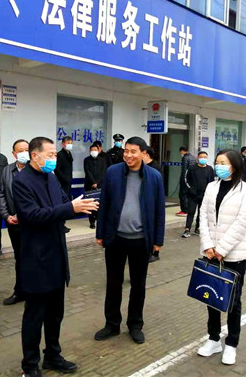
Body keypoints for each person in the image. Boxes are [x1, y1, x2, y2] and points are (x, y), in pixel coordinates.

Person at [13, 137, 98, 376]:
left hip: (57, 256)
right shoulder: (21, 181)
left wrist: (79, 205)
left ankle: (52, 356)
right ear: (35, 156)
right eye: (50, 155)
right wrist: (70, 208)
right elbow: (32, 215)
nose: (54, 159)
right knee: (34, 316)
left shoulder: (50, 177)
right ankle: (30, 365)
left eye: (55, 155)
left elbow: (62, 203)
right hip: (36, 259)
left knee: (55, 314)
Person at [94, 137, 165, 345]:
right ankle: (112, 324)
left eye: (133, 151)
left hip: (141, 240)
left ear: (144, 154)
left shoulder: (154, 177)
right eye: (126, 151)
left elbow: (159, 210)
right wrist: (100, 233)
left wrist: (158, 240)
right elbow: (104, 203)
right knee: (113, 283)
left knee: (138, 285)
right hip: (116, 238)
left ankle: (135, 325)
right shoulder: (113, 172)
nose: (128, 155)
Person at [196, 149, 246, 366]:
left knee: (232, 302)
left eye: (224, 162)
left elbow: (242, 222)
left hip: (234, 255)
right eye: (217, 162)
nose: (219, 166)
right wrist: (208, 245)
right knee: (211, 297)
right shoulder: (211, 187)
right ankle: (213, 339)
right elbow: (203, 216)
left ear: (235, 166)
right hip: (211, 253)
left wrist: (221, 249)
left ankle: (231, 344)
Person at [0, 139, 29, 306]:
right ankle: (20, 291)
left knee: (33, 257)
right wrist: (7, 216)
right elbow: (2, 194)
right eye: (20, 150)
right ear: (14, 154)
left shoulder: (37, 170)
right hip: (14, 224)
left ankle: (35, 291)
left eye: (27, 149)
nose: (24, 153)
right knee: (20, 258)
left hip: (32, 224)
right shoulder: (7, 170)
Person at [182, 151, 214, 238]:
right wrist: (190, 189)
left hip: (204, 195)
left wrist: (209, 192)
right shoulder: (192, 168)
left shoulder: (210, 169)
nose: (203, 159)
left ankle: (198, 228)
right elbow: (186, 179)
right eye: (201, 157)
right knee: (191, 211)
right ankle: (187, 229)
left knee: (201, 212)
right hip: (193, 195)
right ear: (198, 158)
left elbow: (212, 182)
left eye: (205, 157)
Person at [144, 146, 163, 263]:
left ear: (146, 155)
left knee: (154, 226)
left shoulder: (155, 168)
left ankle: (155, 253)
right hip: (146, 200)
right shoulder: (142, 167)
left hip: (153, 201)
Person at [84, 144, 108, 230]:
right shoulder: (86, 160)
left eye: (95, 150)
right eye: (92, 150)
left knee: (99, 204)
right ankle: (92, 221)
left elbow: (103, 172)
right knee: (90, 204)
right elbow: (87, 171)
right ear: (90, 151)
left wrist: (97, 182)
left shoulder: (103, 160)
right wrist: (93, 182)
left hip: (100, 185)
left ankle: (99, 219)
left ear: (98, 150)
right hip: (89, 185)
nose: (94, 151)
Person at [55, 136, 74, 233]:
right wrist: (65, 179)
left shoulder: (69, 153)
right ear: (63, 144)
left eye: (71, 143)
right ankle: (60, 225)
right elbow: (57, 169)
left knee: (66, 203)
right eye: (68, 143)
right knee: (62, 204)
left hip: (68, 182)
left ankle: (63, 224)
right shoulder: (60, 154)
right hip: (62, 183)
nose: (70, 145)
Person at [178, 146, 196, 217]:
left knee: (182, 194)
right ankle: (189, 209)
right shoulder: (193, 157)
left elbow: (184, 170)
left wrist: (182, 179)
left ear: (182, 151)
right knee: (189, 195)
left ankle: (184, 210)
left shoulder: (185, 158)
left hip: (185, 179)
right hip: (192, 179)